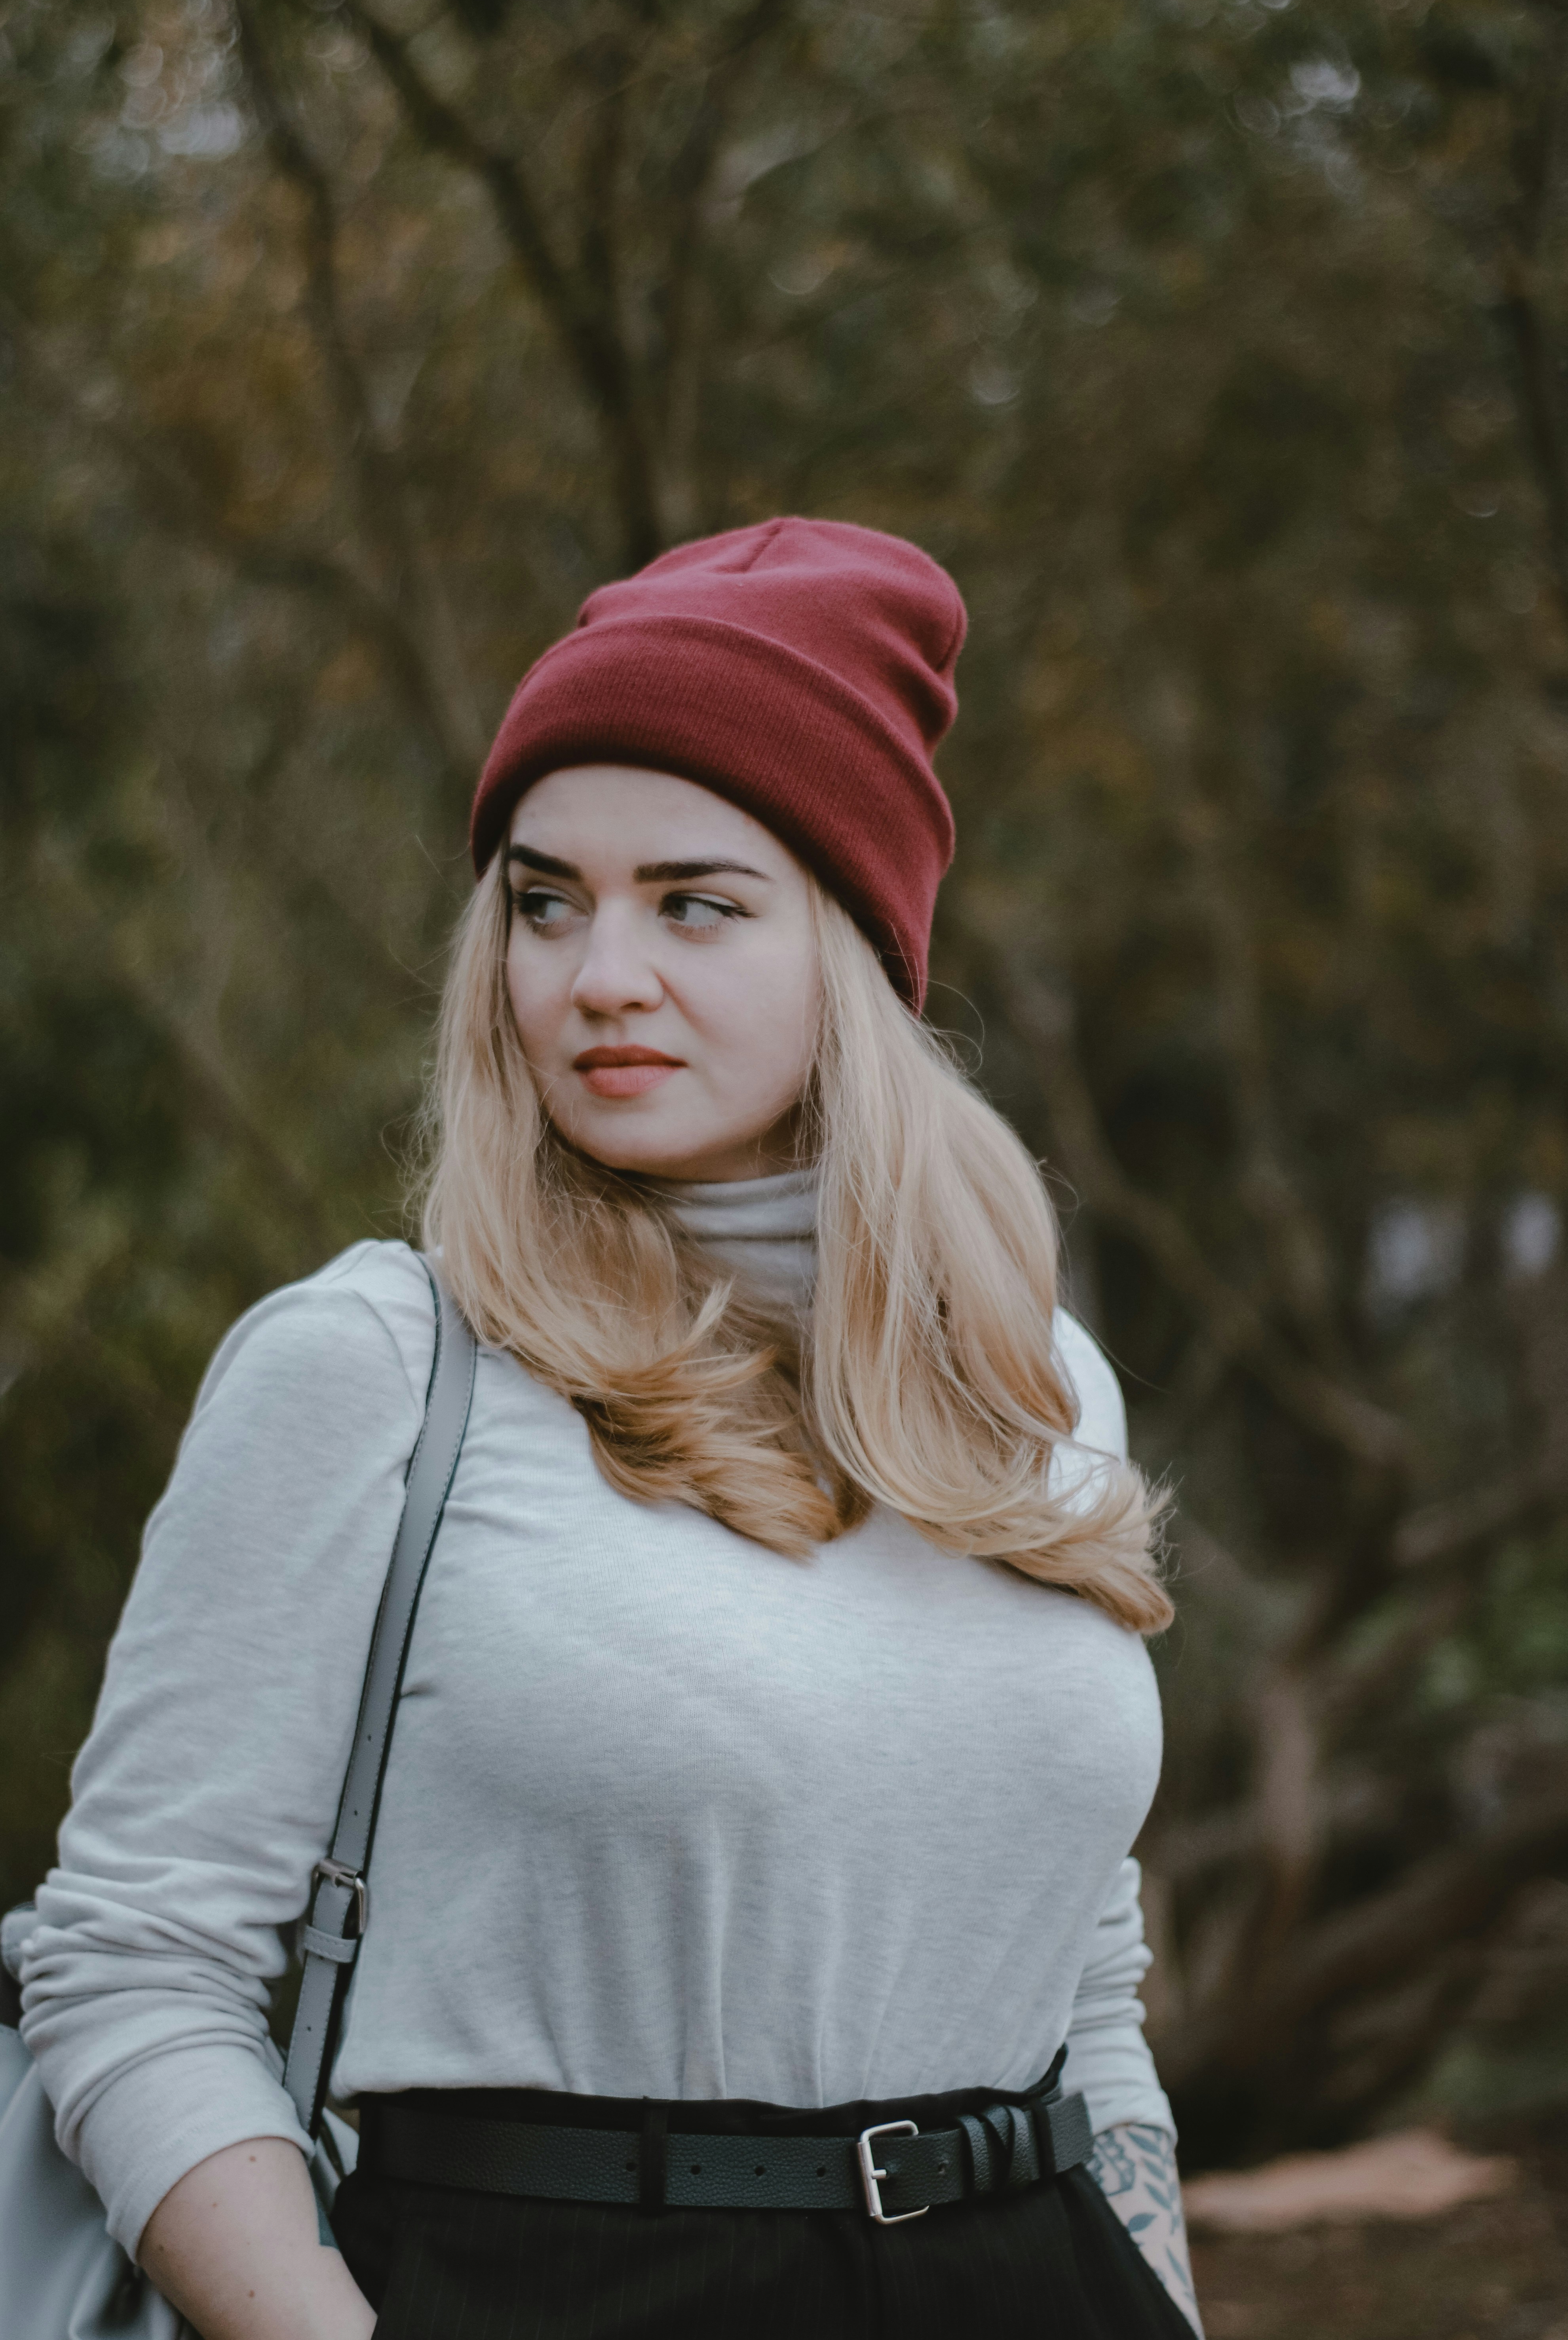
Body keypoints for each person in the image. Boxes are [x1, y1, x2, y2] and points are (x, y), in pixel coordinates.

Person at [20, 518, 1203, 2340]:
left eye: (695, 900)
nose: (598, 975)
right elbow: (130, 1967)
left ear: (857, 945)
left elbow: (1086, 1983)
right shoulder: (379, 1365)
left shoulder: (1031, 1381)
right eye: (544, 897)